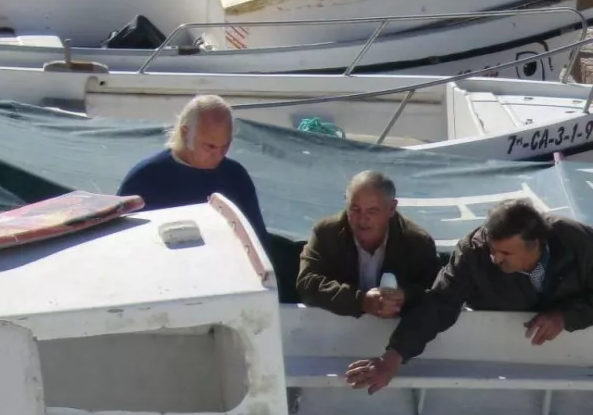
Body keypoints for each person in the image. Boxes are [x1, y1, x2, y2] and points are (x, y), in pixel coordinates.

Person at [346, 200, 593, 394]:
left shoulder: (577, 241)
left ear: (536, 244)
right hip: (498, 350)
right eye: (493, 250)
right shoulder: (474, 252)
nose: (495, 259)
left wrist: (565, 317)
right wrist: (392, 357)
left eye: (506, 252)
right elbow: (440, 303)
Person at [117, 95, 268, 245]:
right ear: (185, 133)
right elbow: (121, 242)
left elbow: (257, 240)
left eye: (225, 145)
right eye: (210, 146)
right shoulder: (145, 179)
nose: (220, 155)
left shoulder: (235, 176)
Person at [297, 172, 441, 318]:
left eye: (372, 211)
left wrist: (404, 297)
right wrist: (361, 301)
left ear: (391, 208)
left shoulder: (417, 242)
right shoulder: (326, 233)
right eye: (355, 209)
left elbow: (436, 291)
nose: (362, 219)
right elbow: (306, 283)